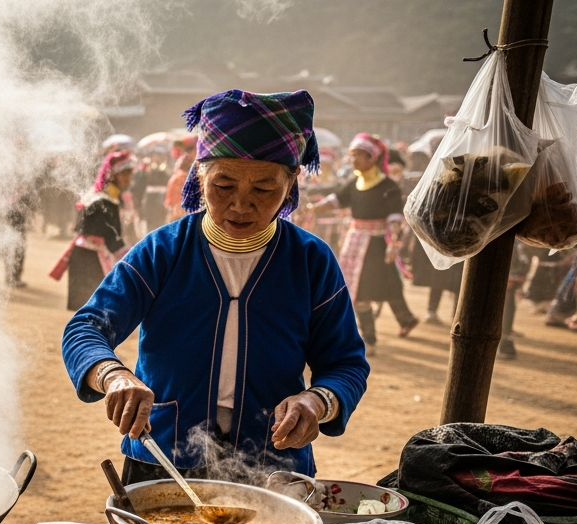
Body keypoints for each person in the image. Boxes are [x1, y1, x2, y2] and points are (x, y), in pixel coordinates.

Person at [62, 89, 370, 482]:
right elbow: (86, 328)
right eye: (224, 185)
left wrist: (317, 401)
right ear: (199, 174)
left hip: (273, 467)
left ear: (292, 181)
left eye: (263, 189)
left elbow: (345, 364)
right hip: (163, 459)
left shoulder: (311, 261)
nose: (241, 204)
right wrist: (112, 375)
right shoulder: (163, 251)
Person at [307, 133, 416, 355]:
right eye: (351, 155)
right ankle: (401, 320)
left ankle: (369, 339)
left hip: (376, 245)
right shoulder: (354, 182)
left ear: (372, 157)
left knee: (365, 291)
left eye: (358, 155)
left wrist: (393, 242)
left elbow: (395, 217)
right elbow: (336, 200)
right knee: (371, 288)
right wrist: (312, 208)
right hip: (354, 243)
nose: (353, 160)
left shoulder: (388, 186)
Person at [50, 151, 133, 311]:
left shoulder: (105, 197)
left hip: (89, 256)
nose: (128, 179)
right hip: (89, 260)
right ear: (113, 175)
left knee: (93, 312)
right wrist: (130, 254)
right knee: (91, 311)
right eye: (124, 174)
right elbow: (108, 235)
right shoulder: (102, 201)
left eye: (130, 174)